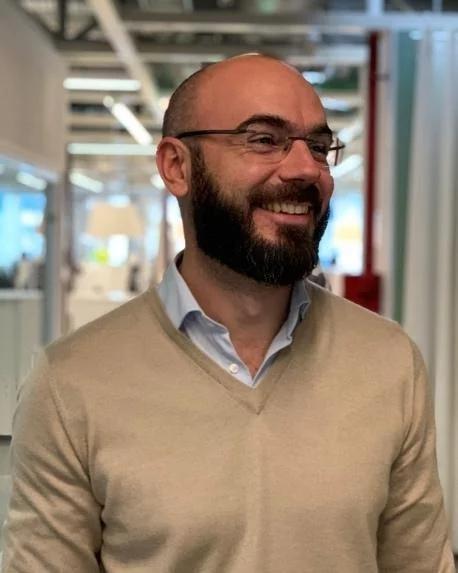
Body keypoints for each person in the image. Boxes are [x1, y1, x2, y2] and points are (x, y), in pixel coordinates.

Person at [1, 55, 454, 573]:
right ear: (177, 167)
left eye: (319, 146)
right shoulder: (71, 384)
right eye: (263, 139)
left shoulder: (388, 361)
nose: (307, 168)